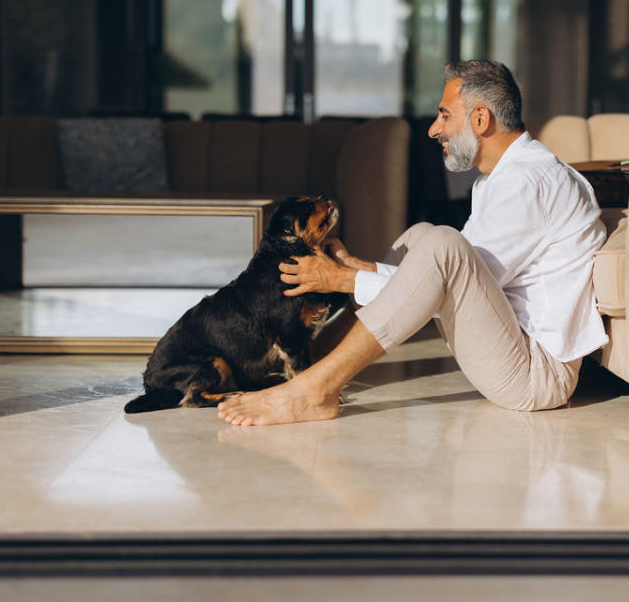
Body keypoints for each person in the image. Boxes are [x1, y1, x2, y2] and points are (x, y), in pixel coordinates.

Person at [218, 60, 608, 426]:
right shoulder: (506, 177)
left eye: (444, 115)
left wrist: (343, 280)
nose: (433, 130)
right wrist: (356, 268)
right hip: (512, 348)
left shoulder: (528, 183)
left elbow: (445, 276)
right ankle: (309, 367)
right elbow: (447, 281)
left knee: (440, 244)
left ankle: (316, 389)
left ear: (480, 118)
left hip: (535, 375)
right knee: (420, 237)